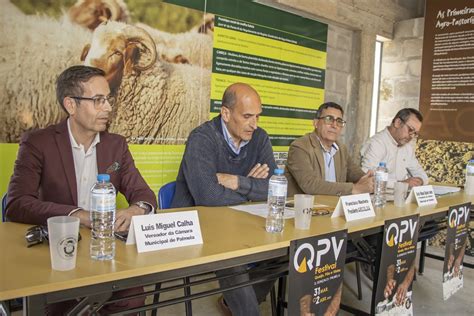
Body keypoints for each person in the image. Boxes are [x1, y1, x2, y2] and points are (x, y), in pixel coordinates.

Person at [6, 65, 157, 314]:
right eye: (98, 100)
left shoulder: (116, 145)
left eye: (108, 99)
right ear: (71, 105)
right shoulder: (38, 143)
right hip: (59, 254)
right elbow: (17, 203)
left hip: (106, 251)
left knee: (131, 299)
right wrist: (78, 214)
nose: (108, 108)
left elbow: (143, 193)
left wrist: (137, 210)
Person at [172, 83, 278, 316]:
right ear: (226, 113)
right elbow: (207, 196)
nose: (255, 124)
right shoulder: (201, 138)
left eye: (258, 116)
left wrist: (238, 181)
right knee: (232, 254)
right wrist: (251, 188)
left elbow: (275, 188)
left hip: (239, 219)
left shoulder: (259, 138)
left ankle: (232, 304)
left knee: (284, 249)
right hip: (196, 222)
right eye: (248, 116)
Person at [285, 102, 373, 197]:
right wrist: (354, 189)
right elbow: (310, 184)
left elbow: (356, 174)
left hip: (334, 207)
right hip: (307, 208)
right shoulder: (300, 146)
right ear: (316, 123)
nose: (334, 125)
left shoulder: (341, 148)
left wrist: (369, 180)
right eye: (329, 119)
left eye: (339, 121)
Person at [360, 108, 428, 188]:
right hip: (376, 196)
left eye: (415, 133)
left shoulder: (407, 147)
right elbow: (366, 176)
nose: (411, 136)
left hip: (398, 196)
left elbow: (420, 173)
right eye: (410, 130)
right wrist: (401, 184)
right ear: (398, 123)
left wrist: (419, 180)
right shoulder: (377, 143)